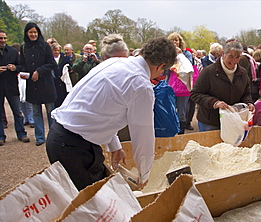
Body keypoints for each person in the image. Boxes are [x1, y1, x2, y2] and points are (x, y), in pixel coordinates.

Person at [45, 37, 177, 191]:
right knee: (93, 205)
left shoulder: (114, 62)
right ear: (161, 66)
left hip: (60, 137)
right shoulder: (141, 85)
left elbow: (102, 110)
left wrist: (114, 146)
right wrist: (144, 175)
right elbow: (143, 136)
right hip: (73, 147)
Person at [191, 39, 255, 132]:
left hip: (233, 121)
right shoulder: (208, 72)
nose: (234, 60)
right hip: (210, 122)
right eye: (231, 56)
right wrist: (214, 103)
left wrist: (249, 103)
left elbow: (246, 93)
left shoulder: (243, 73)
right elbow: (195, 94)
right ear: (223, 54)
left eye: (237, 57)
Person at [19, 23, 57, 146]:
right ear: (26, 33)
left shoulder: (45, 46)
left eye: (35, 32)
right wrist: (22, 72)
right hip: (33, 84)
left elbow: (52, 64)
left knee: (50, 111)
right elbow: (23, 65)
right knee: (36, 112)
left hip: (46, 83)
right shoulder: (24, 48)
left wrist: (39, 71)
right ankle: (40, 137)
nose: (33, 34)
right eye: (30, 32)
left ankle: (53, 136)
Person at [0, 30, 30, 146]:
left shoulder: (12, 52)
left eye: (4, 38)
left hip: (11, 85)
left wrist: (15, 68)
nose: (3, 40)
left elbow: (21, 66)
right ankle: (1, 136)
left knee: (17, 112)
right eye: (1, 38)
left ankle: (21, 133)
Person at [165, 32, 193, 134]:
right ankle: (171, 131)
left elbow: (188, 67)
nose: (174, 42)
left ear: (180, 42)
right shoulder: (167, 54)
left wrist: (180, 55)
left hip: (183, 87)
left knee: (182, 112)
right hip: (171, 86)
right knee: (170, 110)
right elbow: (164, 71)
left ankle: (181, 133)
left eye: (176, 40)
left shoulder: (187, 54)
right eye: (172, 40)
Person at [10, 42, 34, 128]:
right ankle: (26, 118)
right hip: (17, 81)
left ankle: (31, 119)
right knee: (21, 102)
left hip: (24, 79)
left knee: (28, 101)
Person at [51, 43, 69, 108]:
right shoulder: (50, 59)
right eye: (55, 50)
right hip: (54, 82)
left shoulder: (64, 58)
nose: (56, 52)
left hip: (63, 81)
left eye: (58, 50)